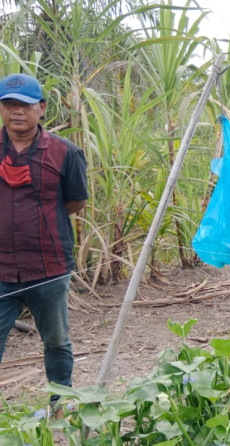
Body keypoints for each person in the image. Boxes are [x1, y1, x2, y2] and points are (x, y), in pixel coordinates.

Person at [0, 73, 88, 409]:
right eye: (8, 105)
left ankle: (59, 403)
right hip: (1, 268)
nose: (16, 111)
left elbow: (76, 202)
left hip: (49, 266)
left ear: (41, 108)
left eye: (24, 104)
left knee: (56, 340)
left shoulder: (66, 153)